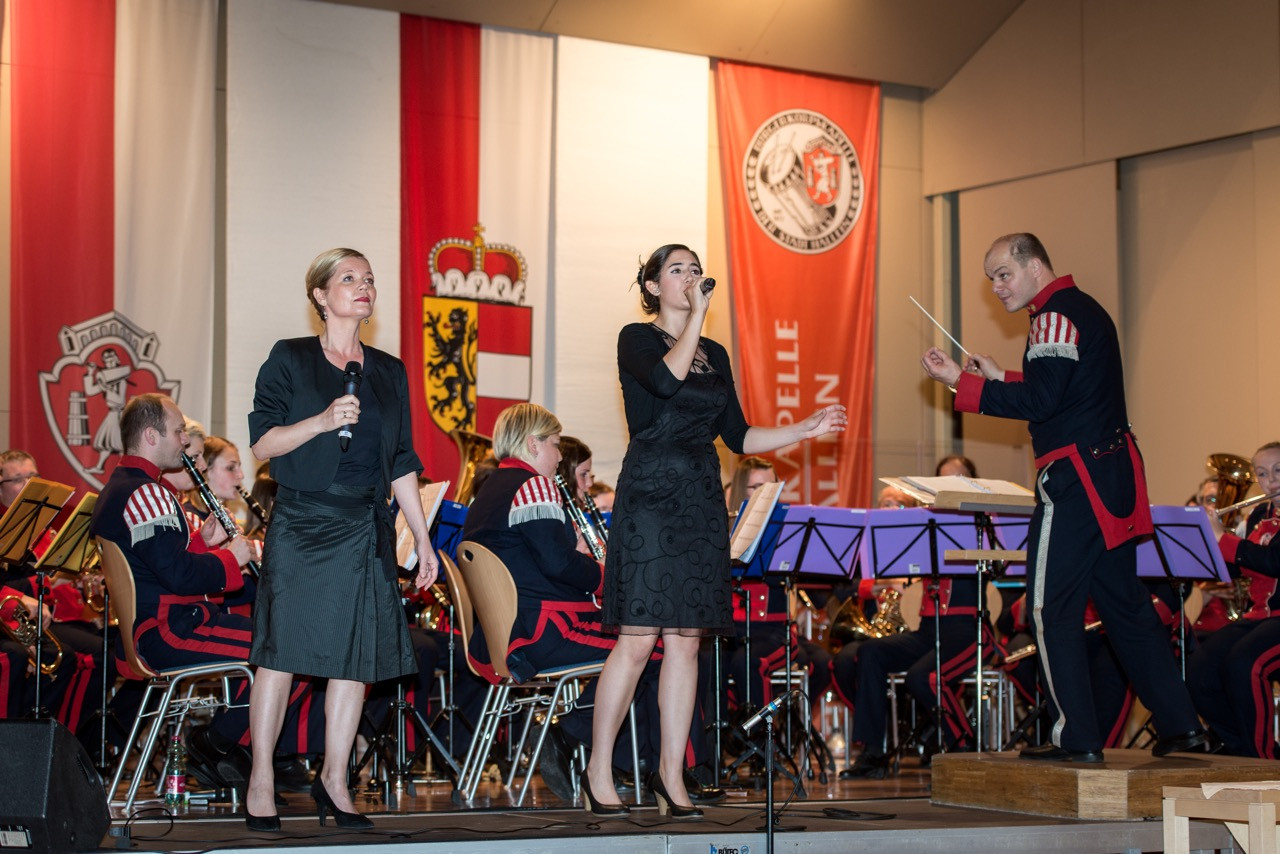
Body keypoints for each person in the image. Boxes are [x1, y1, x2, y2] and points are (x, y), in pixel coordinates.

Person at [920, 232, 1215, 762]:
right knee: (1125, 606)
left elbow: (1040, 402)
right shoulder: (1083, 311)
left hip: (1076, 481)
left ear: (1035, 266)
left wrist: (960, 383)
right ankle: (1181, 724)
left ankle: (1075, 736)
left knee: (1049, 607)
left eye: (1004, 274)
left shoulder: (1051, 318)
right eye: (991, 279)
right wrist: (1001, 376)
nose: (997, 287)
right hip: (1110, 475)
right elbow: (1066, 393)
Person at [583, 244, 846, 818]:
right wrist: (697, 316)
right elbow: (665, 383)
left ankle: (671, 776)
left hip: (701, 497)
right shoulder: (636, 338)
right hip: (651, 495)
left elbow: (739, 436)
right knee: (638, 638)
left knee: (686, 644)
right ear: (652, 286)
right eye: (677, 270)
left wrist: (804, 428)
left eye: (696, 270)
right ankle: (599, 768)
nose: (690, 277)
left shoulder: (716, 354)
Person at [244, 248, 436, 831]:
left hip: (363, 525)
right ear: (320, 296)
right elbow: (263, 443)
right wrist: (323, 421)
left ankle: (334, 780)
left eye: (368, 279)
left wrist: (421, 538)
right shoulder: (291, 357)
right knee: (280, 654)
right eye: (348, 278)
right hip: (303, 520)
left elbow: (400, 460)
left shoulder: (389, 371)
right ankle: (260, 779)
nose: (363, 286)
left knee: (355, 660)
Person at [462, 404, 661, 801]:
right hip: (546, 630)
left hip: (506, 634)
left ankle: (609, 756)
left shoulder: (489, 491)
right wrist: (606, 577)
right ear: (533, 444)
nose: (558, 456)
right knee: (654, 649)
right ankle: (574, 735)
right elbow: (558, 564)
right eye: (554, 444)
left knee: (640, 648)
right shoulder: (534, 486)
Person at [88, 394, 261, 789]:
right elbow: (180, 578)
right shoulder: (146, 492)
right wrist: (231, 558)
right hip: (170, 630)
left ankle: (229, 752)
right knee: (286, 649)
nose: (184, 440)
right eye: (178, 431)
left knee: (283, 645)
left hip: (163, 626)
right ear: (152, 436)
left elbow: (158, 566)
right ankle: (217, 746)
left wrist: (202, 542)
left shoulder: (122, 486)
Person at [1188, 442, 1280, 757]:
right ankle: (1238, 746)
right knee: (1199, 670)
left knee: (1246, 663)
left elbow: (1273, 562)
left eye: (1278, 471)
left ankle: (1262, 759)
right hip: (1260, 617)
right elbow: (1240, 567)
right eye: (1262, 474)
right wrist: (1203, 541)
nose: (1271, 481)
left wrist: (1222, 539)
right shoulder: (1260, 514)